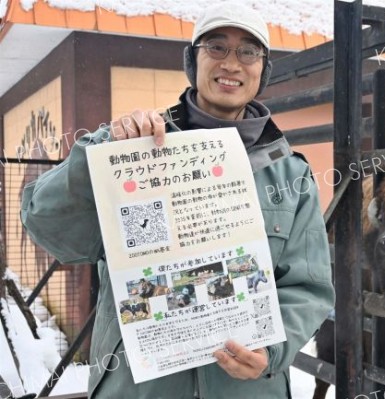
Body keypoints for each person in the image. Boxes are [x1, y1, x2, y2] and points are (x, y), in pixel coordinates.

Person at [20, 3, 334, 398]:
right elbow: (47, 226)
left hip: (246, 389)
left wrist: (272, 348)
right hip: (139, 386)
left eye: (248, 51)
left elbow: (309, 287)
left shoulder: (291, 175)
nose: (232, 64)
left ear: (263, 69)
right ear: (193, 60)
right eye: (216, 47)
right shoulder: (131, 150)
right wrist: (99, 150)